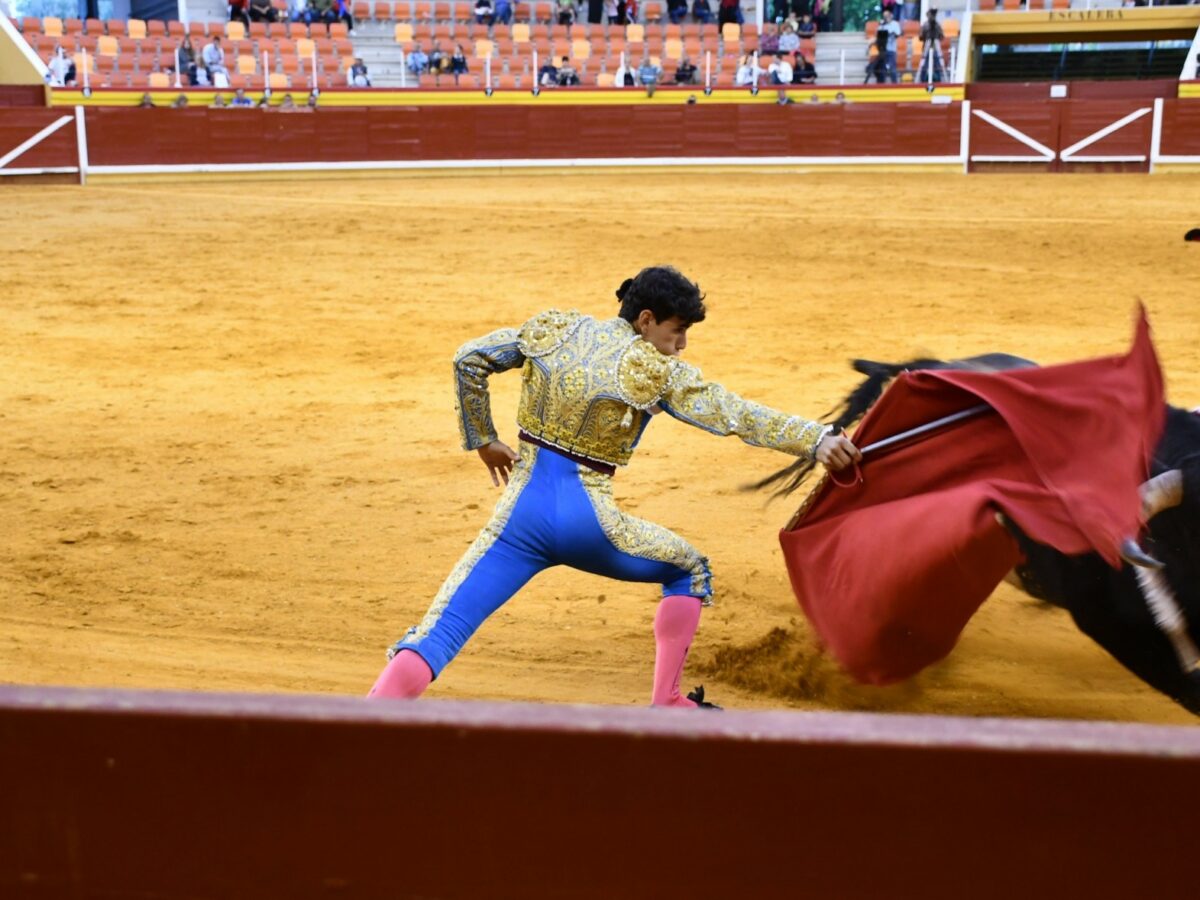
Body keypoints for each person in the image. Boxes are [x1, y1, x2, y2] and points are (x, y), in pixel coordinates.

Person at [366, 267, 861, 708]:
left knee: (439, 633)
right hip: (591, 523)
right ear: (646, 319)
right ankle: (666, 699)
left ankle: (359, 728)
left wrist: (484, 440)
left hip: (519, 519)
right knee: (688, 569)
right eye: (678, 330)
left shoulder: (555, 331)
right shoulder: (653, 369)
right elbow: (734, 413)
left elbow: (468, 359)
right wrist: (816, 440)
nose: (682, 344)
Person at [918, 8, 944, 82]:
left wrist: (937, 34)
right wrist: (926, 34)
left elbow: (941, 36)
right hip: (927, 47)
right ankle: (922, 80)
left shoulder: (937, 25)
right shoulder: (925, 25)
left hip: (935, 48)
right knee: (924, 65)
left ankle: (938, 79)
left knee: (937, 65)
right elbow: (920, 37)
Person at [878, 9, 901, 83]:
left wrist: (891, 33)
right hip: (883, 49)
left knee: (892, 68)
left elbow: (898, 34)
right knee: (882, 68)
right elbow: (878, 35)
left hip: (891, 49)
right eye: (884, 16)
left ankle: (894, 84)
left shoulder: (895, 24)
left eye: (887, 15)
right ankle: (881, 84)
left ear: (891, 15)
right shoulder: (882, 25)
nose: (886, 17)